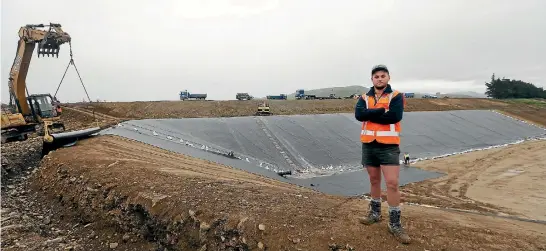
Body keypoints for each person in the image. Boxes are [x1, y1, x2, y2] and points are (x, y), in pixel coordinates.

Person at [354, 64, 411, 244]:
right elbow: (358, 115)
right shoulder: (364, 97)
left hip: (388, 146)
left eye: (382, 76)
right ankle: (375, 213)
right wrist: (380, 111)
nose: (379, 79)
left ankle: (395, 223)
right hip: (369, 145)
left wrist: (369, 114)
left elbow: (394, 117)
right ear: (372, 79)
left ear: (388, 78)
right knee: (374, 180)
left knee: (392, 183)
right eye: (376, 76)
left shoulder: (396, 96)